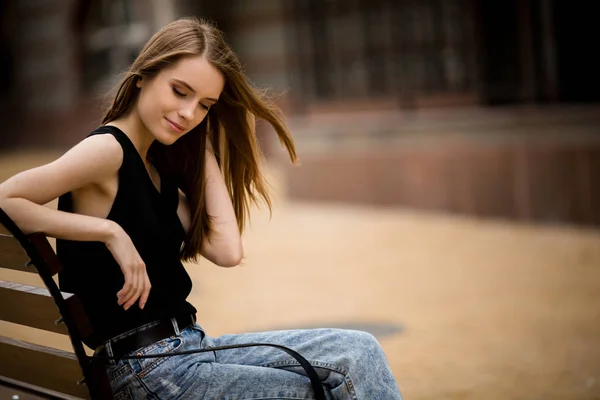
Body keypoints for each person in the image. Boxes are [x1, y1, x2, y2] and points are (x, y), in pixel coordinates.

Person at [0, 17, 403, 399]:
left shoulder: (156, 171)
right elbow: (4, 200)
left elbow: (227, 251)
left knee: (358, 352)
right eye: (179, 91)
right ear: (142, 77)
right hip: (150, 369)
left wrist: (201, 138)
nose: (188, 112)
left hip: (188, 350)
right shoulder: (107, 151)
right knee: (313, 389)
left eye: (205, 104)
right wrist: (109, 232)